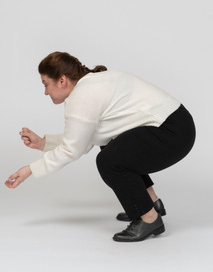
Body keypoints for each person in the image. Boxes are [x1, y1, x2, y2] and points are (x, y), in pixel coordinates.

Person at [5, 51, 196, 242]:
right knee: (111, 146)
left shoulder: (82, 96)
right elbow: (88, 137)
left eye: (46, 84)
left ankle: (149, 219)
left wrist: (29, 170)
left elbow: (73, 149)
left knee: (109, 161)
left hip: (172, 132)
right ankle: (151, 204)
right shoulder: (94, 83)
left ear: (62, 80)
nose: (45, 91)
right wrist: (44, 143)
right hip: (178, 124)